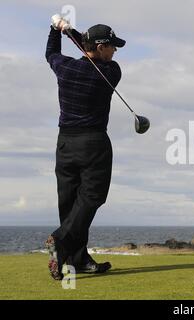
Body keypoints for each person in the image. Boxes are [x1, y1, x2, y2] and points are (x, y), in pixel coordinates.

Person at [45, 16, 126, 280]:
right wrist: (71, 32)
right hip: (94, 143)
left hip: (65, 142)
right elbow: (86, 47)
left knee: (69, 202)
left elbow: (51, 53)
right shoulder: (111, 72)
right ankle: (61, 242)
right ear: (101, 48)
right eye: (111, 46)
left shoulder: (64, 67)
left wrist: (57, 30)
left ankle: (75, 260)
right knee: (91, 198)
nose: (114, 50)